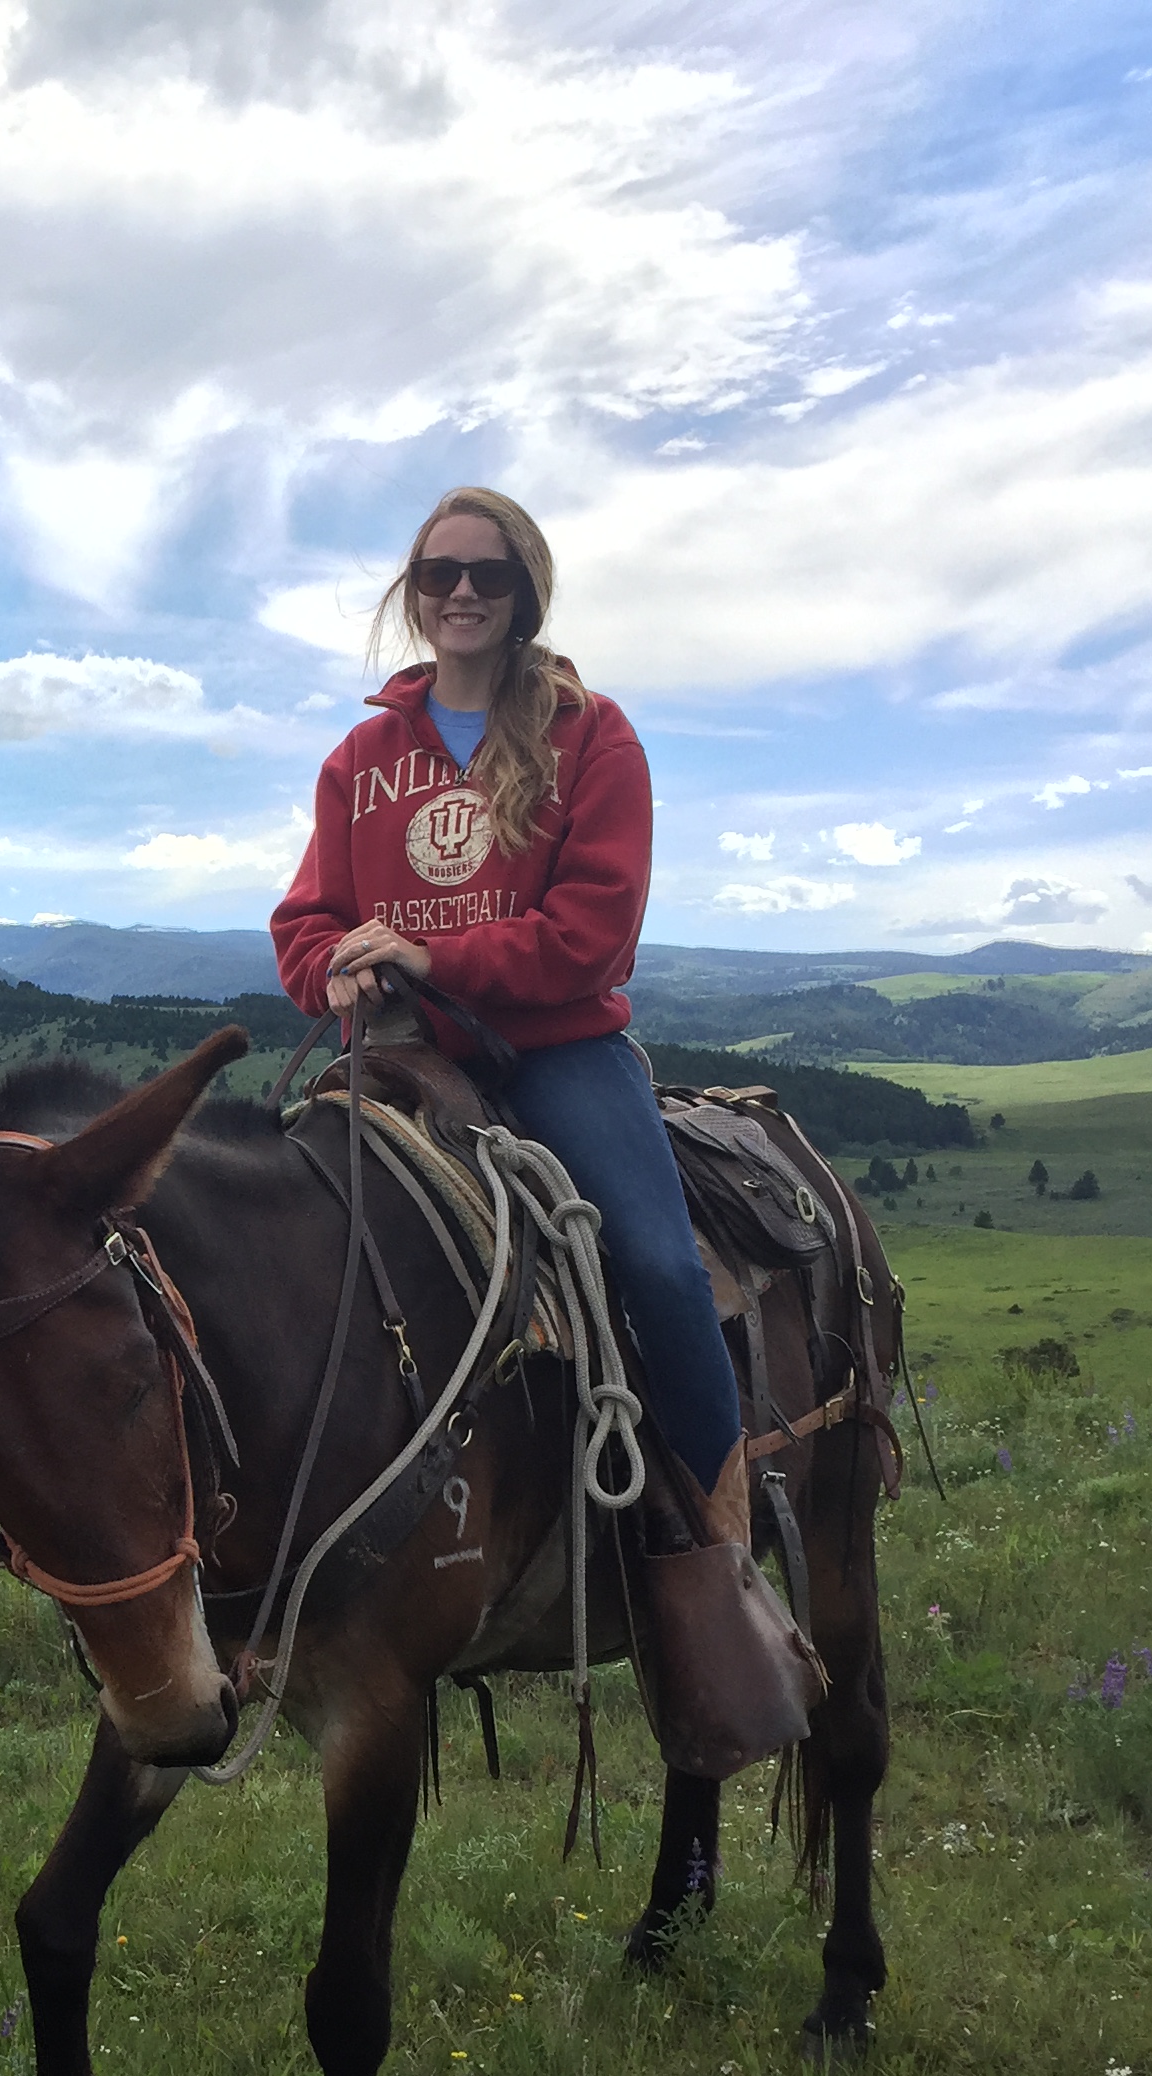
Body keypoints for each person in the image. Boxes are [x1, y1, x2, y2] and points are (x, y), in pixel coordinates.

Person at [268, 485, 755, 1555]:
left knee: (664, 1268)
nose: (462, 593)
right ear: (414, 593)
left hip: (554, 1054)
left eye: (490, 574)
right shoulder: (358, 764)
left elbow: (594, 936)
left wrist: (430, 954)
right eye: (440, 573)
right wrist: (332, 971)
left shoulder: (590, 733)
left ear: (525, 594)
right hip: (400, 1063)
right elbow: (308, 918)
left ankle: (722, 1547)